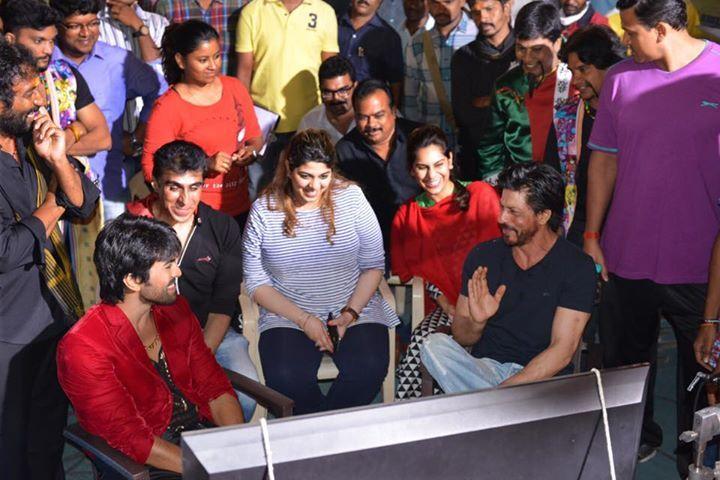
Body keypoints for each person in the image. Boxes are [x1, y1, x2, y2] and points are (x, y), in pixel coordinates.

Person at [583, 0, 719, 471]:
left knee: (699, 374)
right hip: (626, 255)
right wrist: (592, 233)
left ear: (661, 30)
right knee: (624, 366)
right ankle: (632, 443)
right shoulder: (620, 78)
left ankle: (691, 460)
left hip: (701, 264)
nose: (625, 42)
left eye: (632, 31)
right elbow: (603, 158)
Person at [57, 214, 244, 478]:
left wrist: (239, 448)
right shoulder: (83, 346)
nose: (178, 272)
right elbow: (131, 438)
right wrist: (209, 466)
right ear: (132, 280)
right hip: (146, 465)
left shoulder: (175, 310)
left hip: (201, 438)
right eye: (168, 266)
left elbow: (213, 385)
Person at [242, 129, 400, 415]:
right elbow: (256, 282)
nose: (315, 186)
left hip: (353, 303)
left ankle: (323, 429)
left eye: (323, 176)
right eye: (305, 176)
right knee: (285, 377)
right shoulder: (264, 210)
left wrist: (350, 312)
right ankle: (328, 429)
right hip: (287, 311)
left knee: (369, 367)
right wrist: (304, 320)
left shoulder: (351, 198)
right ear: (289, 168)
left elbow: (373, 264)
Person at [0, 42, 100, 479]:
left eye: (39, 87)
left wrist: (59, 160)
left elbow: (85, 205)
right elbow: (7, 250)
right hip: (7, 333)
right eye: (28, 93)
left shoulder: (35, 143)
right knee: (9, 449)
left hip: (53, 316)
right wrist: (55, 204)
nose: (41, 99)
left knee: (46, 446)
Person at [420, 163, 596, 394]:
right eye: (502, 207)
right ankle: (493, 408)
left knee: (480, 395)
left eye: (513, 212)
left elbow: (562, 351)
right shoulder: (483, 257)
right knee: (433, 345)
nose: (502, 218)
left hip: (541, 380)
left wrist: (502, 393)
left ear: (543, 215)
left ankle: (484, 406)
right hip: (485, 370)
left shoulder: (577, 267)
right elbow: (462, 337)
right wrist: (477, 321)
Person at [128, 140, 259, 421]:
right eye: (174, 187)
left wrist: (197, 359)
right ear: (155, 184)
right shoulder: (134, 227)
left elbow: (223, 304)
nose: (185, 200)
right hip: (148, 337)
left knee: (245, 398)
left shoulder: (222, 227)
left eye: (194, 187)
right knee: (155, 407)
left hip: (209, 332)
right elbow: (125, 305)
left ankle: (215, 446)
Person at [392, 125, 501, 400]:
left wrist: (476, 304)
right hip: (444, 307)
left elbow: (501, 255)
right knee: (420, 347)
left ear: (450, 160)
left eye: (438, 164)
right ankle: (417, 418)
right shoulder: (407, 215)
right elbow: (408, 272)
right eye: (422, 167)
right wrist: (446, 304)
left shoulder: (481, 195)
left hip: (494, 300)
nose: (432, 175)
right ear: (411, 170)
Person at [50, 0, 162, 221]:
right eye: (75, 26)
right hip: (51, 187)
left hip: (107, 187)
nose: (86, 33)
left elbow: (160, 92)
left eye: (93, 23)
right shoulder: (45, 61)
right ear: (57, 26)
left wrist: (138, 137)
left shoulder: (117, 60)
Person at [142, 20, 262, 226]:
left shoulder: (235, 88)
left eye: (217, 56)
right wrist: (204, 165)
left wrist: (250, 152)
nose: (213, 66)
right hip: (194, 216)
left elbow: (255, 138)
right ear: (181, 61)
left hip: (240, 208)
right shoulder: (168, 107)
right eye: (203, 60)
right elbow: (150, 169)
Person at [236, 0, 338, 196]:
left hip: (310, 123)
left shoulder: (324, 12)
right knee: (259, 191)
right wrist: (244, 122)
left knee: (308, 192)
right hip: (263, 124)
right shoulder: (253, 11)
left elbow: (330, 71)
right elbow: (244, 71)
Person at [544, 25, 625, 247]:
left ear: (610, 66)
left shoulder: (632, 114)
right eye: (572, 72)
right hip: (576, 227)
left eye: (584, 69)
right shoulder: (566, 117)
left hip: (625, 224)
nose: (576, 80)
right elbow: (552, 178)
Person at [476, 1, 572, 183]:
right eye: (521, 48)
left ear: (557, 43)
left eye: (537, 49)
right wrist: (499, 186)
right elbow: (490, 146)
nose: (527, 58)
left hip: (570, 186)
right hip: (521, 186)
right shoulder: (506, 86)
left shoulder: (577, 79)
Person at [1, 0, 111, 158]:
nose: (48, 50)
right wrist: (76, 130)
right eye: (38, 41)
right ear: (10, 39)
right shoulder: (4, 83)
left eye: (52, 41)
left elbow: (103, 138)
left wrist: (62, 144)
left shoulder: (64, 74)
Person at [336, 79, 422, 265]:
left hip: (424, 241)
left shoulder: (419, 138)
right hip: (374, 251)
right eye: (363, 117)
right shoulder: (344, 151)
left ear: (394, 111)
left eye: (378, 115)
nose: (371, 124)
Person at [451, 0, 515, 179]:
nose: (483, 18)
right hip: (478, 159)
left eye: (489, 9)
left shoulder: (525, 52)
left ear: (507, 7)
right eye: (476, 12)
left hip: (523, 152)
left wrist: (487, 100)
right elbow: (463, 113)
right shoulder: (464, 57)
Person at [404, 0, 477, 144]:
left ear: (463, 1)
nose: (440, 8)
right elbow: (410, 100)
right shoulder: (417, 43)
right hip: (432, 142)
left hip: (472, 141)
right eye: (434, 2)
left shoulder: (478, 37)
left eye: (448, 1)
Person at [338, 0, 404, 104]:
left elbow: (395, 82)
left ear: (380, 2)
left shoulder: (389, 37)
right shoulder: (332, 23)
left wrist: (393, 108)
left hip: (367, 107)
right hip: (332, 102)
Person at [156, 0, 246, 75]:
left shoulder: (241, 4)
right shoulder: (168, 6)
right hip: (184, 87)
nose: (212, 66)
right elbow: (161, 57)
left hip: (229, 86)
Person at [297, 55, 357, 145]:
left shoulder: (370, 117)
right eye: (328, 92)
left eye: (342, 91)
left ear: (355, 87)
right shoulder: (310, 123)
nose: (336, 98)